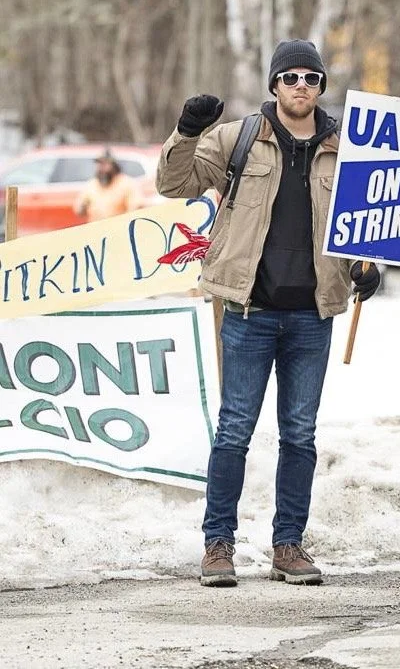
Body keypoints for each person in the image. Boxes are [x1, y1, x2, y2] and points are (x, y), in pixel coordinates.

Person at [156, 39, 380, 587]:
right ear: (274, 85)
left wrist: (368, 268)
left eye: (312, 78)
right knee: (233, 431)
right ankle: (218, 546)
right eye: (291, 77)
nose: (301, 86)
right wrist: (186, 132)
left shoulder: (346, 148)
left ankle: (288, 546)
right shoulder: (237, 140)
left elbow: (366, 224)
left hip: (313, 314)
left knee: (299, 435)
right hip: (249, 311)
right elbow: (172, 183)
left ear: (321, 87)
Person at [74, 149, 143, 222]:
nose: (102, 168)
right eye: (99, 164)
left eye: (105, 164)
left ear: (114, 165)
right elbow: (79, 210)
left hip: (118, 228)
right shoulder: (91, 185)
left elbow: (136, 207)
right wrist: (83, 207)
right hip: (96, 229)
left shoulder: (126, 183)